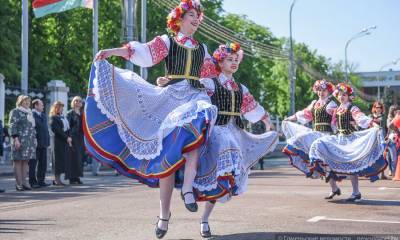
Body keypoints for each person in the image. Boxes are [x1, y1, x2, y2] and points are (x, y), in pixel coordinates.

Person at [84, 1, 228, 238]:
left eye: (197, 16)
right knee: (167, 160)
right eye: (191, 14)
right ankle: (164, 214)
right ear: (179, 19)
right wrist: (113, 52)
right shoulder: (168, 42)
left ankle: (188, 190)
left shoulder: (202, 49)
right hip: (171, 99)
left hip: (193, 98)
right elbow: (143, 53)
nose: (196, 19)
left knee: (197, 132)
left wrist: (225, 74)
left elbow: (212, 76)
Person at [159, 43, 278, 238]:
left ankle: (205, 219)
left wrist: (268, 123)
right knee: (224, 146)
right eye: (229, 60)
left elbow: (253, 107)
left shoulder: (241, 88)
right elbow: (189, 86)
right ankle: (180, 197)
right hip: (215, 131)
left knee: (224, 178)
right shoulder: (210, 83)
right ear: (219, 62)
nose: (234, 63)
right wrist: (168, 82)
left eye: (235, 60)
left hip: (234, 131)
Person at [309, 83, 387, 202]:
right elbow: (334, 124)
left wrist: (372, 123)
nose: (341, 97)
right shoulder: (337, 109)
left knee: (351, 166)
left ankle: (356, 192)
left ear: (349, 96)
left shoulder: (352, 108)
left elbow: (361, 118)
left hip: (350, 139)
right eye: (339, 95)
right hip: (340, 138)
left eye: (344, 95)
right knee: (320, 145)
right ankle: (330, 177)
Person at [282, 80, 337, 179]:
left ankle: (324, 174)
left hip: (326, 135)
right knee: (298, 141)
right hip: (316, 134)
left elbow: (336, 120)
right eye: (319, 90)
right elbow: (304, 113)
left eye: (324, 90)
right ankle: (314, 171)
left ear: (328, 91)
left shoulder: (331, 104)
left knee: (323, 160)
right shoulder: (315, 104)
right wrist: (290, 118)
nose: (321, 93)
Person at [9, 95, 37, 191]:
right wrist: (15, 139)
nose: (27, 103)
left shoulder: (29, 113)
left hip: (29, 142)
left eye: (28, 101)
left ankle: (25, 182)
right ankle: (19, 184)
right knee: (18, 161)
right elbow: (13, 126)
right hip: (19, 140)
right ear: (20, 102)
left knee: (26, 162)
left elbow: (32, 128)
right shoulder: (15, 111)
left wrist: (35, 139)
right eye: (25, 101)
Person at [49, 101, 72, 186]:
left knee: (62, 160)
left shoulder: (63, 117)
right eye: (58, 107)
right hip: (57, 142)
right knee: (57, 161)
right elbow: (57, 130)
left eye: (62, 107)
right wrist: (66, 137)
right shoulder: (53, 117)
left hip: (64, 142)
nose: (60, 109)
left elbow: (68, 128)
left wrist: (69, 137)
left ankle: (59, 179)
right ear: (55, 108)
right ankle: (56, 180)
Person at [32, 99, 51, 187]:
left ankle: (41, 181)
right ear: (36, 105)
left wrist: (47, 141)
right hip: (35, 143)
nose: (43, 106)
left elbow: (45, 129)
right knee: (33, 163)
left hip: (44, 142)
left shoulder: (43, 115)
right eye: (41, 105)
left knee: (43, 163)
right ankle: (33, 182)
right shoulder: (32, 114)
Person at [66, 96, 84, 184]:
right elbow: (67, 127)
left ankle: (77, 177)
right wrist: (69, 137)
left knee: (79, 158)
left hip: (80, 137)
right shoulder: (70, 113)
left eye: (79, 101)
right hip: (73, 137)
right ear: (73, 102)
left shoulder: (82, 113)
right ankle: (71, 178)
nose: (78, 102)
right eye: (76, 101)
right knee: (73, 158)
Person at [369, 101, 388, 179]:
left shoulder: (384, 116)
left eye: (380, 107)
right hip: (373, 137)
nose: (378, 109)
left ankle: (382, 173)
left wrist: (387, 136)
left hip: (382, 136)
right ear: (374, 108)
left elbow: (386, 127)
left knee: (382, 155)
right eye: (377, 107)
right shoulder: (371, 116)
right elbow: (368, 126)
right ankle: (374, 173)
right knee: (373, 155)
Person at [386, 105, 399, 176]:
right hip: (392, 140)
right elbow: (389, 126)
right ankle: (393, 171)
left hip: (398, 139)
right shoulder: (389, 119)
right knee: (393, 157)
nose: (396, 111)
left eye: (397, 110)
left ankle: (396, 171)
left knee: (396, 157)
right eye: (394, 110)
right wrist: (396, 118)